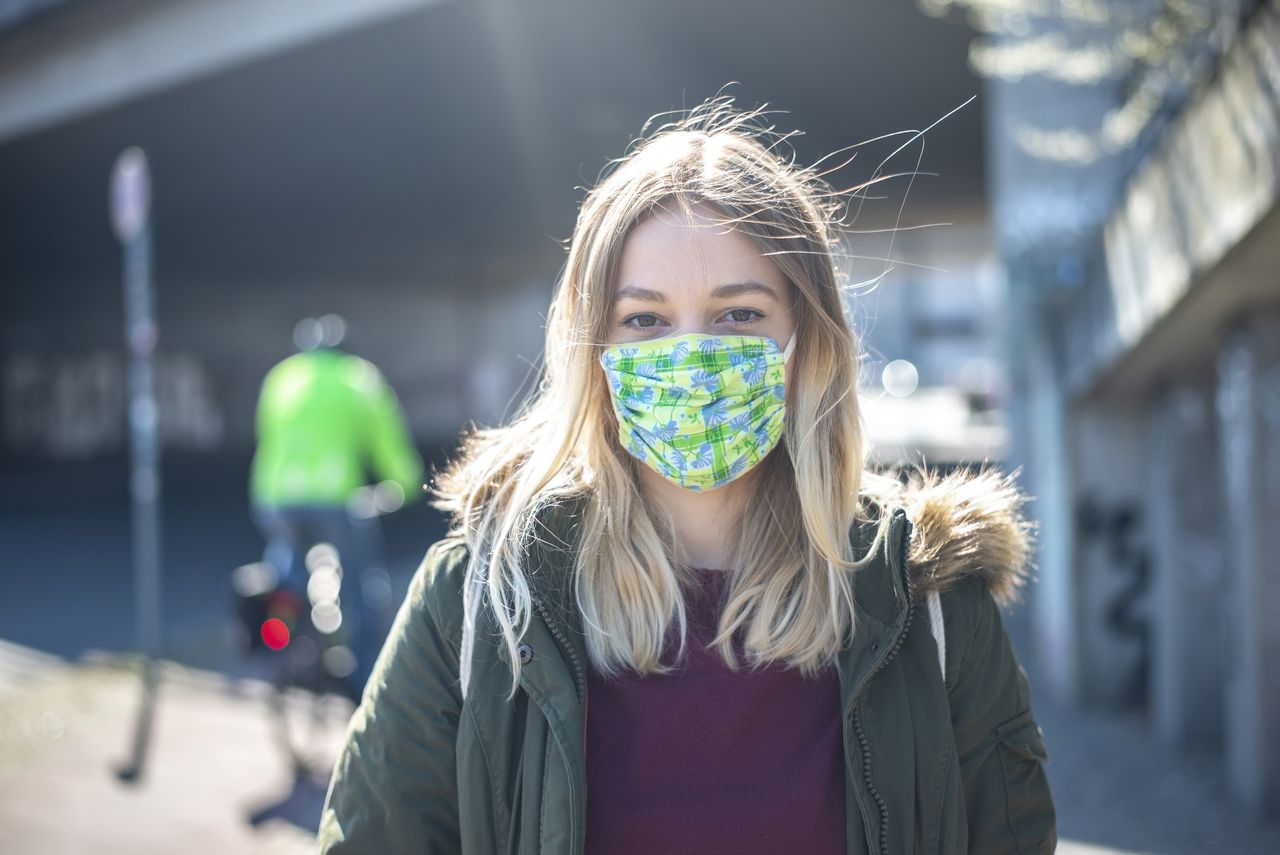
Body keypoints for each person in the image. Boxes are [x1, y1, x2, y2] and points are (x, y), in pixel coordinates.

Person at [317, 101, 1056, 853]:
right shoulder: (480, 604)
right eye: (645, 320)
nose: (692, 357)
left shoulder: (928, 606)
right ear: (593, 349)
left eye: (738, 314)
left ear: (807, 343)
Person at [249, 314, 423, 701]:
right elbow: (389, 444)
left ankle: (277, 642)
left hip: (275, 498)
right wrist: (405, 484)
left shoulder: (282, 377)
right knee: (363, 583)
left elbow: (265, 435)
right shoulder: (358, 378)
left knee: (287, 571)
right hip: (334, 497)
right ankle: (362, 679)